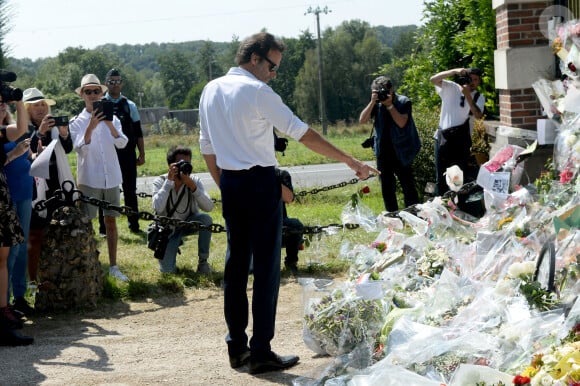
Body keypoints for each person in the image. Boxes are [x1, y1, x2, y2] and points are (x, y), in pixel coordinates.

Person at [198, 32, 378, 375]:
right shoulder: (257, 91)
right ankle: (261, 350)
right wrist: (351, 161)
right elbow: (303, 133)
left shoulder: (211, 89)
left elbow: (206, 146)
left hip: (231, 181)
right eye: (271, 66)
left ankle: (236, 347)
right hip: (260, 181)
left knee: (235, 267)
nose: (274, 73)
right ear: (254, 59)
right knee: (266, 269)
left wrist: (225, 183)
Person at [69, 74, 129, 281]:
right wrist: (91, 127)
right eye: (88, 91)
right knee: (87, 223)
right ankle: (89, 264)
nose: (93, 95)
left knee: (111, 221)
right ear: (82, 95)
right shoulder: (76, 122)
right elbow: (79, 149)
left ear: (102, 93)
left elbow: (122, 143)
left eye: (96, 91)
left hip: (111, 177)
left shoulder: (113, 117)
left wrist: (109, 124)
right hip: (89, 179)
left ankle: (113, 266)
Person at [23, 88, 74, 307]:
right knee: (35, 236)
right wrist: (40, 132)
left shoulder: (54, 126)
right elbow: (29, 152)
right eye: (35, 105)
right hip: (35, 189)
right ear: (26, 109)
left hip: (57, 184)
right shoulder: (21, 129)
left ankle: (59, 280)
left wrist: (63, 133)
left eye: (43, 104)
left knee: (60, 233)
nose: (41, 108)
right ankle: (32, 282)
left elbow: (68, 148)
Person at [0, 88, 34, 346]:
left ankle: (3, 317)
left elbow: (21, 128)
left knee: (2, 258)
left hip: (1, 195)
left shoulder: (2, 131)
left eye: (3, 103)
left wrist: (18, 100)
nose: (2, 106)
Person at [358, 76, 420, 212]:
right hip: (383, 151)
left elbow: (402, 122)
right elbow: (362, 120)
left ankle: (414, 214)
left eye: (384, 91)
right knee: (387, 187)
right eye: (377, 91)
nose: (381, 94)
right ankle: (392, 215)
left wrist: (390, 105)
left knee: (408, 185)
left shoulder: (403, 101)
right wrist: (372, 101)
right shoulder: (377, 104)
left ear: (391, 89)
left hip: (402, 151)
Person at [151, 146, 214, 274]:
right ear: (171, 165)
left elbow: (209, 207)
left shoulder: (194, 181)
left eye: (188, 163)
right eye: (181, 163)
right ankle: (172, 250)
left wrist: (192, 186)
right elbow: (157, 207)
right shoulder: (160, 181)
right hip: (168, 229)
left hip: (188, 223)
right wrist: (169, 182)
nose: (184, 166)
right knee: (167, 272)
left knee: (206, 220)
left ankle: (203, 262)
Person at [98, 68, 145, 235]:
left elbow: (138, 132)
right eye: (111, 81)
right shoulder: (100, 104)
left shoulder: (130, 105)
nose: (114, 84)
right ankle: (103, 228)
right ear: (106, 84)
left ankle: (134, 224)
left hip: (127, 155)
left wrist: (142, 154)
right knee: (104, 191)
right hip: (108, 155)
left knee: (130, 190)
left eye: (117, 81)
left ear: (122, 83)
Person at [430, 67, 485, 196]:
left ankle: (458, 206)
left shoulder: (478, 96)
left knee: (458, 177)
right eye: (470, 78)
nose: (472, 82)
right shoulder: (451, 87)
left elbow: (478, 115)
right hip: (442, 137)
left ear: (479, 82)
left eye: (476, 80)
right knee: (441, 176)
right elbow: (433, 79)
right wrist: (455, 71)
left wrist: (467, 96)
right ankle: (443, 205)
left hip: (459, 140)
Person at [276, 168, 303, 276]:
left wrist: (270, 177)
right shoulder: (245, 174)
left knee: (295, 225)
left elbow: (289, 198)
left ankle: (291, 262)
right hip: (252, 222)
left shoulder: (280, 174)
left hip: (278, 221)